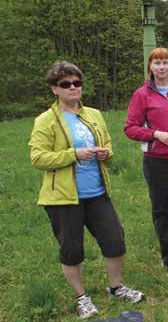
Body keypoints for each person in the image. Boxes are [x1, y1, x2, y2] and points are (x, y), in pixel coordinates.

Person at [29, 61, 144, 319]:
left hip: (97, 192)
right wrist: (74, 154)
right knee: (72, 249)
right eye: (66, 84)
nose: (73, 88)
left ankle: (116, 287)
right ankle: (81, 297)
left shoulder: (93, 114)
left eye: (77, 83)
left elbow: (108, 147)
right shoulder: (45, 120)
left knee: (115, 240)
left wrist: (105, 153)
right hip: (63, 198)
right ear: (54, 90)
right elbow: (38, 158)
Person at [124, 47, 168, 274]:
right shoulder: (142, 94)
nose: (162, 67)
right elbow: (130, 128)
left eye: (166, 62)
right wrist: (155, 134)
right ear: (150, 67)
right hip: (156, 160)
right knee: (162, 208)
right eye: (157, 63)